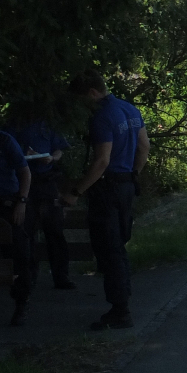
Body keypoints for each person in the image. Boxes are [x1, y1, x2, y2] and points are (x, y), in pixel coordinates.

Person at [63, 70, 149, 330]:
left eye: (81, 100)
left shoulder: (101, 116)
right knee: (119, 244)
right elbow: (144, 146)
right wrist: (134, 175)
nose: (82, 107)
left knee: (108, 247)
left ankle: (119, 311)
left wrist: (76, 192)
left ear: (91, 93)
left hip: (107, 189)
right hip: (126, 186)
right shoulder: (129, 109)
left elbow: (102, 160)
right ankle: (123, 299)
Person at [7, 109, 74, 289]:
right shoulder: (15, 123)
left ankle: (61, 276)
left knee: (54, 229)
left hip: (47, 182)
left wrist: (52, 158)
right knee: (26, 230)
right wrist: (23, 153)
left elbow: (59, 149)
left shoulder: (48, 122)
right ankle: (29, 276)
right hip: (24, 182)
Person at [0, 129, 32, 326]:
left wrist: (22, 202)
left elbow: (24, 171)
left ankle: (21, 303)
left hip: (7, 204)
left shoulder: (4, 140)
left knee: (18, 255)